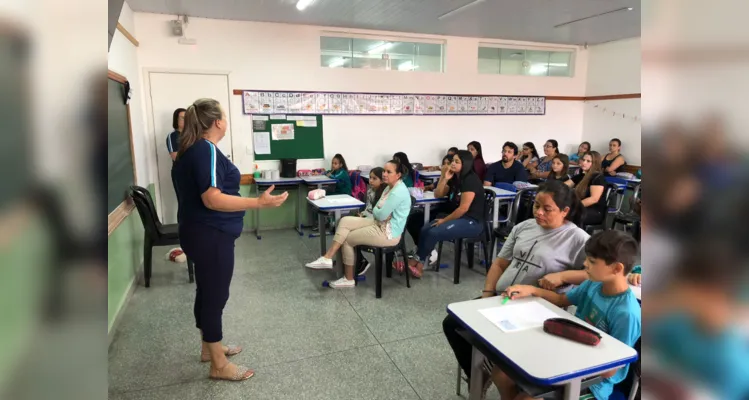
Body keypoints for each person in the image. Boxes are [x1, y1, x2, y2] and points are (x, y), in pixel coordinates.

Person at [171, 98, 288, 381]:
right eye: (224, 116)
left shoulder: (189, 150)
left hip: (198, 233)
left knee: (206, 290)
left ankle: (208, 348)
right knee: (215, 296)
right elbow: (211, 198)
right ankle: (218, 365)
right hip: (211, 235)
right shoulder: (206, 149)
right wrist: (257, 203)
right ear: (218, 122)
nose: (226, 120)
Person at [442, 180, 589, 384]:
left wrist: (564, 276)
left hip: (538, 308)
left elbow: (596, 274)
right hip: (503, 298)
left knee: (503, 340)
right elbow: (499, 264)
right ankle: (477, 376)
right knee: (453, 323)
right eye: (537, 206)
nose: (538, 213)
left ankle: (495, 369)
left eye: (547, 209)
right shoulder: (523, 227)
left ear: (565, 211)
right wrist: (487, 293)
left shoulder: (578, 238)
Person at [495, 230, 641, 400]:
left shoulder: (627, 314)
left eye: (592, 261)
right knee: (501, 374)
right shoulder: (593, 285)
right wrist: (531, 290)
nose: (585, 264)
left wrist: (567, 357)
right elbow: (560, 299)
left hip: (592, 383)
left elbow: (610, 371)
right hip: (563, 357)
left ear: (617, 268)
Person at [305, 159, 412, 288]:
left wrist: (380, 211)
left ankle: (348, 279)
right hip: (378, 222)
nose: (384, 174)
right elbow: (377, 208)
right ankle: (327, 257)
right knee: (344, 221)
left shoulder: (397, 192)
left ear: (398, 175)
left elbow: (379, 213)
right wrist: (380, 211)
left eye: (389, 172)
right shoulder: (389, 187)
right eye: (384, 170)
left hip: (388, 232)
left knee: (348, 239)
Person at [405, 150, 485, 278]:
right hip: (460, 218)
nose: (452, 164)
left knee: (433, 232)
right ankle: (418, 262)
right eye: (453, 161)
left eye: (456, 162)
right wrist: (444, 178)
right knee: (426, 228)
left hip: (472, 221)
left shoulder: (470, 180)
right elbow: (438, 194)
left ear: (466, 164)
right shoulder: (455, 178)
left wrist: (444, 220)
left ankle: (417, 263)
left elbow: (463, 208)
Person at [353, 167, 386, 276]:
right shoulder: (371, 190)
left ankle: (361, 261)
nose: (370, 180)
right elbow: (368, 208)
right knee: (343, 224)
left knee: (351, 230)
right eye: (370, 178)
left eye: (374, 178)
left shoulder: (384, 195)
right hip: (368, 217)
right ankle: (353, 258)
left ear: (382, 180)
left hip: (376, 222)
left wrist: (364, 217)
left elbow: (378, 214)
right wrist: (362, 214)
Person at [567, 151, 607, 226]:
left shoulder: (598, 177)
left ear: (595, 163)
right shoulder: (581, 176)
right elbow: (564, 186)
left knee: (568, 214)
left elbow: (593, 199)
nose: (584, 162)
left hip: (594, 211)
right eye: (583, 160)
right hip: (582, 208)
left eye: (588, 161)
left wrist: (574, 206)